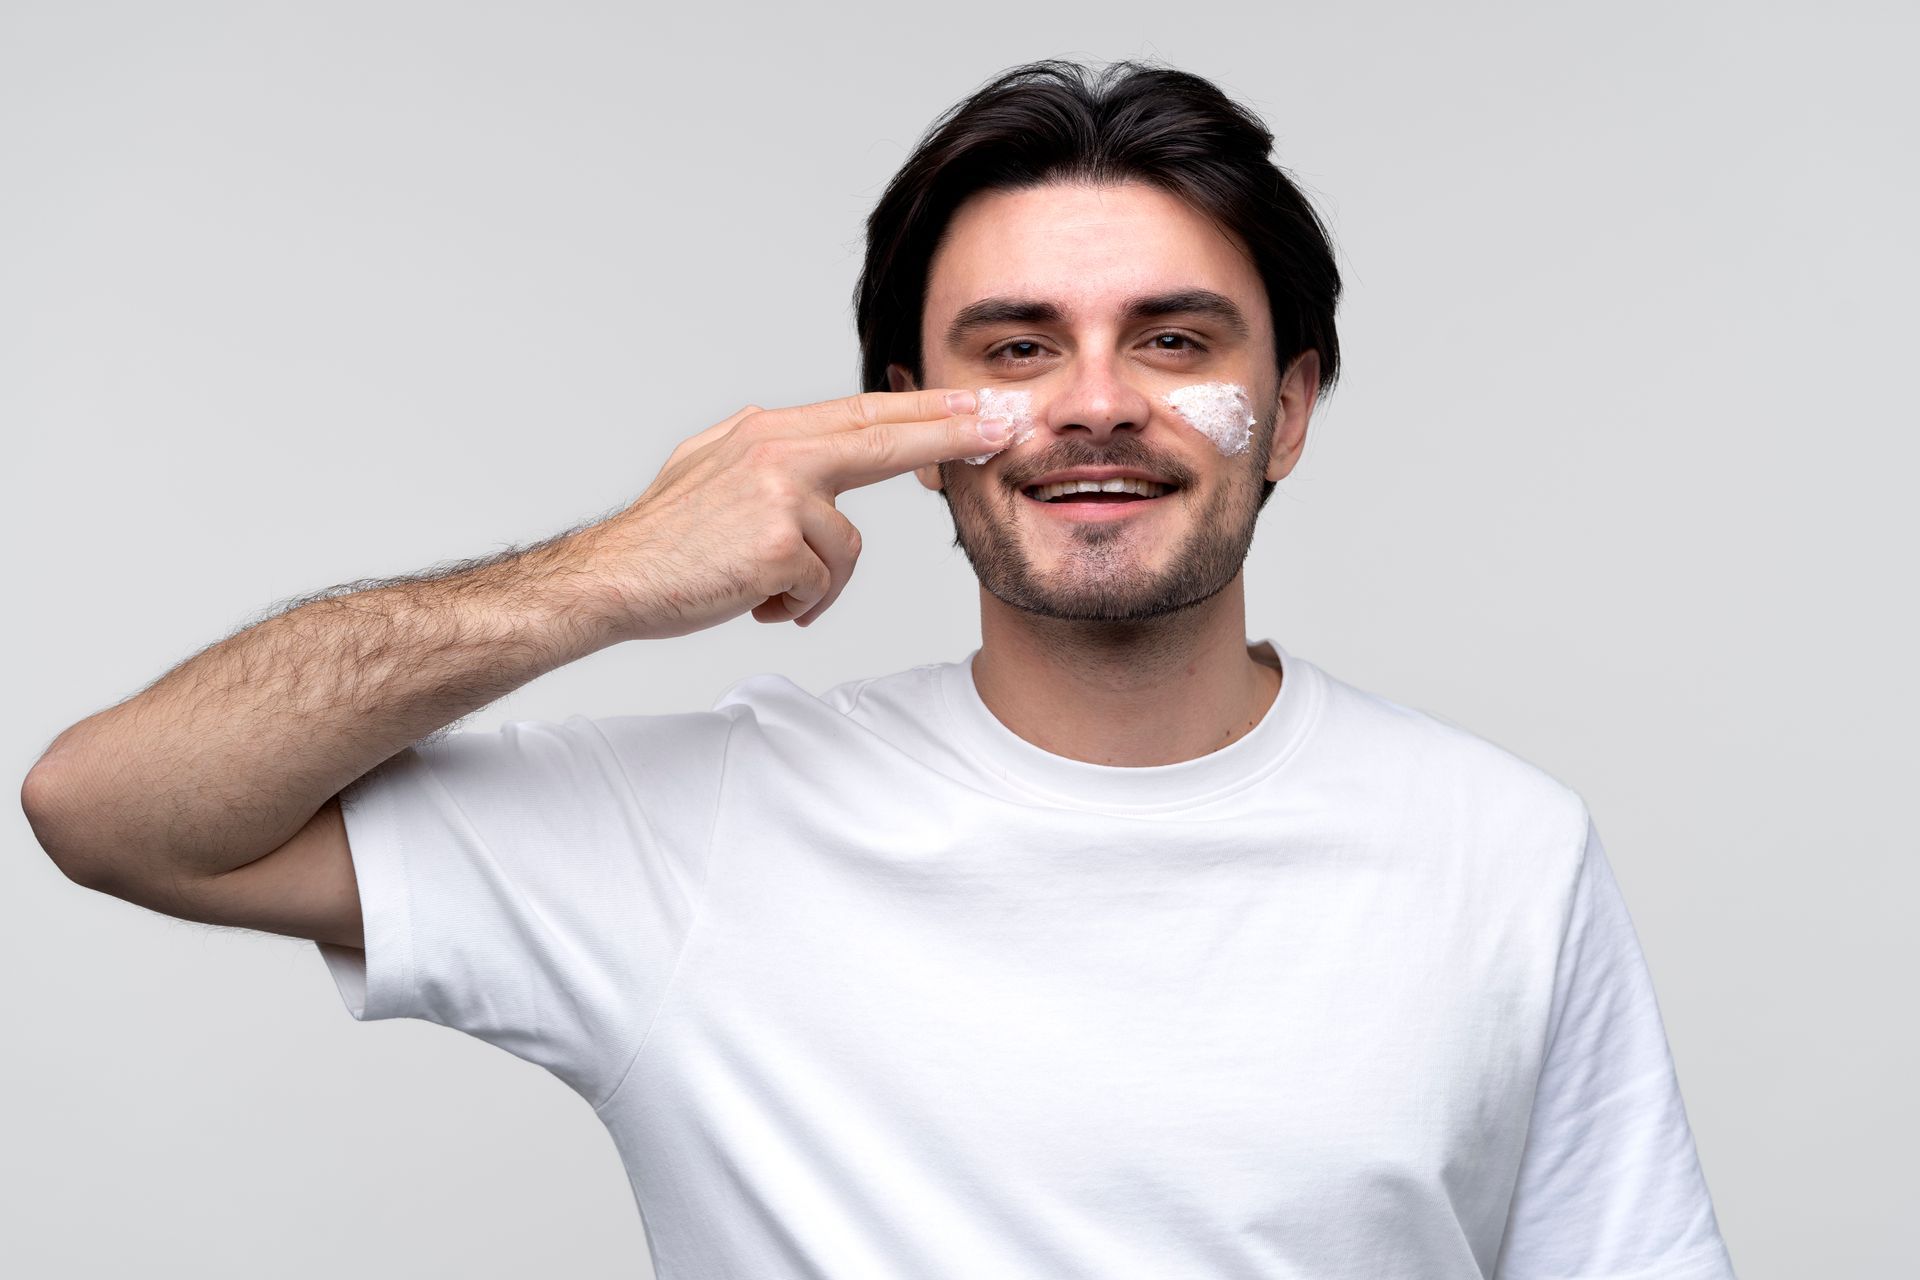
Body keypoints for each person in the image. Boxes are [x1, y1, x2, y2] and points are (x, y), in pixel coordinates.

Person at [22, 59, 1736, 1279]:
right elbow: (109, 809)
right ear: (908, 426)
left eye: (1176, 339)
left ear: (1287, 406)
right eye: (1013, 350)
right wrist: (612, 572)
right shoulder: (700, 836)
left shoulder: (1501, 849)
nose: (1092, 403)